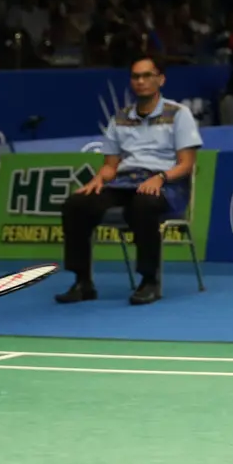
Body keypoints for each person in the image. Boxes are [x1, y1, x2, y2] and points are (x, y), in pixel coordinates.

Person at [54, 55, 203, 306]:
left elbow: (187, 164)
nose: (141, 81)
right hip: (125, 182)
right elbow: (111, 166)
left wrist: (161, 177)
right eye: (136, 76)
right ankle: (83, 282)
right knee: (76, 204)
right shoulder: (120, 118)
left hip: (167, 184)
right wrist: (98, 179)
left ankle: (149, 280)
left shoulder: (179, 114)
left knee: (143, 205)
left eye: (147, 75)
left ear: (161, 79)